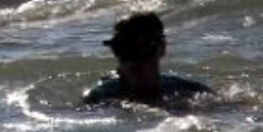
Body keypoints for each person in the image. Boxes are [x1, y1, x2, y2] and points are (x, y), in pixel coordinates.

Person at [83, 12, 213, 106]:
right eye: (125, 50)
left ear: (162, 48)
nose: (134, 59)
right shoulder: (100, 96)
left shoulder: (189, 91)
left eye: (143, 49)